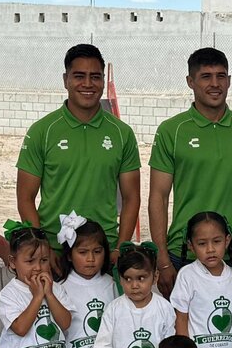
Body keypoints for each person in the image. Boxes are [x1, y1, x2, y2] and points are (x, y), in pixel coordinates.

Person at [148, 48, 232, 290]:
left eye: (221, 76)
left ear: (229, 80)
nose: (215, 84)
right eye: (206, 76)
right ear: (190, 81)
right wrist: (162, 259)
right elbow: (158, 196)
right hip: (185, 253)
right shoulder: (171, 131)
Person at [16, 43, 141, 245]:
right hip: (55, 249)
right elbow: (25, 198)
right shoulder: (42, 131)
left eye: (95, 77)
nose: (88, 84)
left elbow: (132, 198)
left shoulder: (122, 133)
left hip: (103, 250)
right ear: (66, 80)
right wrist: (43, 248)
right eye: (79, 76)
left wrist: (119, 248)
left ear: (103, 80)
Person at [0, 226, 69, 348]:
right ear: (13, 262)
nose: (38, 267)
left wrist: (49, 294)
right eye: (30, 261)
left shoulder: (56, 289)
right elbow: (20, 328)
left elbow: (65, 322)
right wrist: (37, 297)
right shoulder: (9, 294)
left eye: (44, 260)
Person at [169, 211, 232, 348]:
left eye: (216, 241)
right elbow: (181, 319)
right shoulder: (187, 275)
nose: (210, 249)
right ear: (191, 246)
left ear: (227, 240)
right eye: (202, 243)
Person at [56, 220, 115, 348]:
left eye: (97, 251)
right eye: (83, 252)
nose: (91, 259)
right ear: (69, 255)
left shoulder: (113, 284)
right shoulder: (60, 288)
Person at [94, 244, 170, 348]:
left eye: (141, 278)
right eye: (128, 279)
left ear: (155, 277)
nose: (134, 285)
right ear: (120, 279)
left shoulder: (165, 307)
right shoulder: (113, 309)